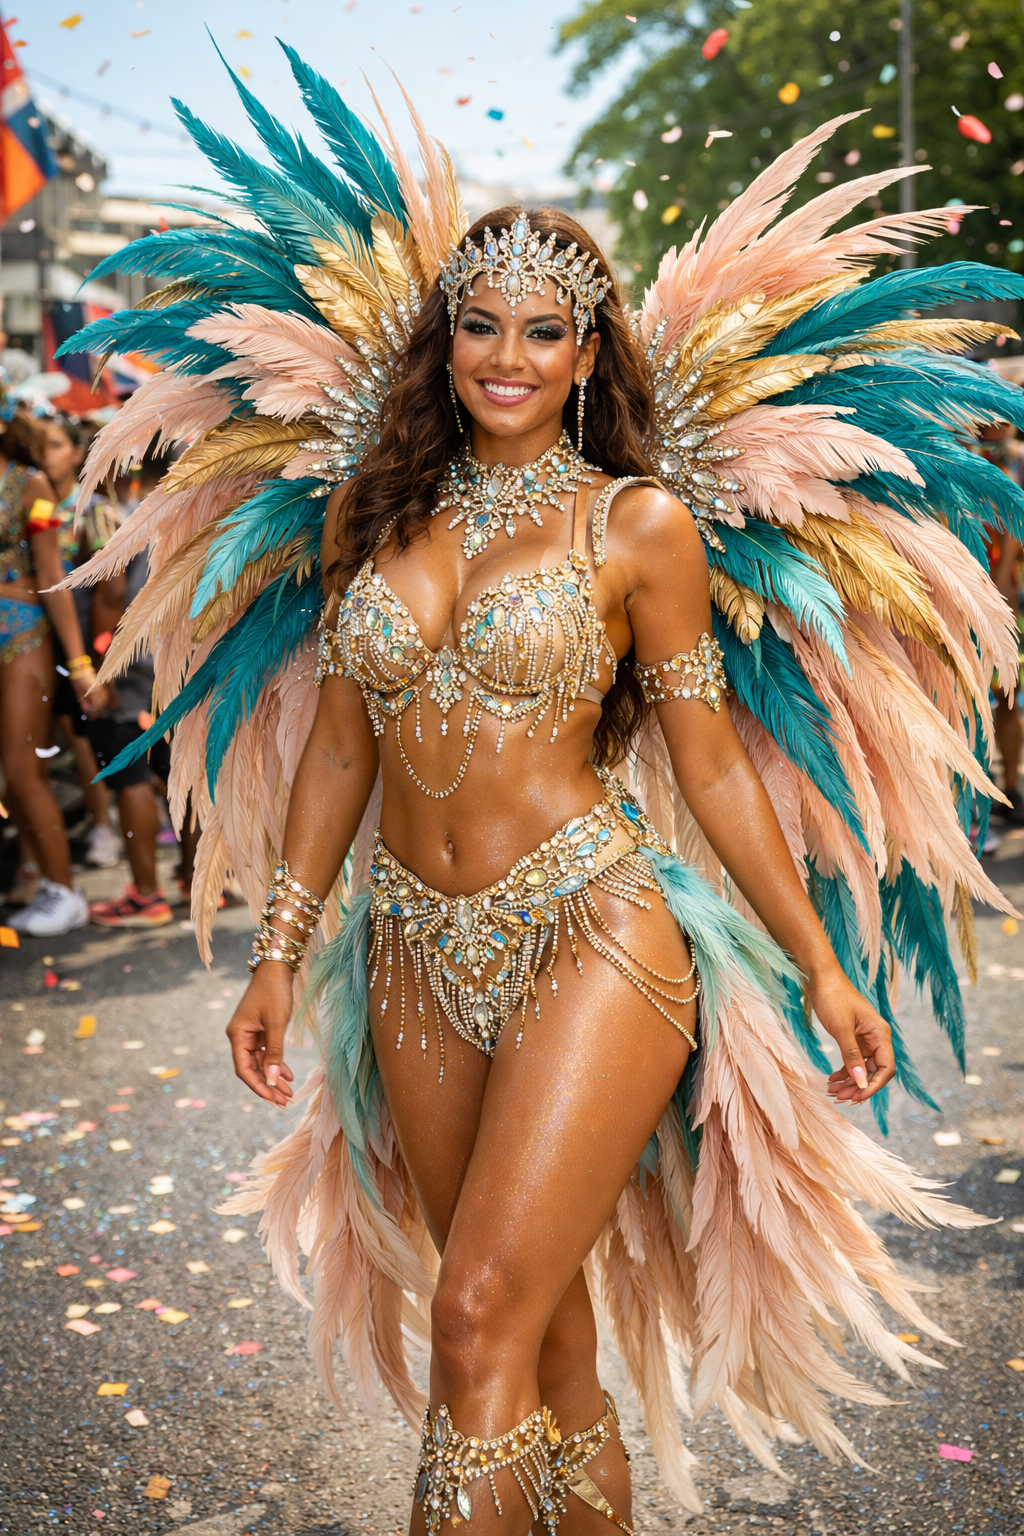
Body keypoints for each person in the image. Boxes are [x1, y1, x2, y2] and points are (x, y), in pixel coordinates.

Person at [62, 65, 1022, 1529]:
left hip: (595, 929)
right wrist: (273, 953)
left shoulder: (639, 525)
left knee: (472, 1323)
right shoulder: (374, 513)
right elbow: (338, 748)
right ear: (447, 340)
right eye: (482, 324)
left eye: (544, 331)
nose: (507, 354)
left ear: (589, 355)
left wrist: (824, 968)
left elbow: (704, 762)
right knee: (546, 1344)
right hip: (407, 948)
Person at [0, 389, 108, 936]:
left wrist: (80, 660)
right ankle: (35, 874)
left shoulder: (30, 485)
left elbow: (50, 575)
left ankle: (66, 892)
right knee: (9, 780)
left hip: (23, 638)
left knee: (24, 771)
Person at [85, 446, 173, 928]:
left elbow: (113, 592)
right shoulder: (197, 510)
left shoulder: (136, 516)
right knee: (178, 769)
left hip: (134, 661)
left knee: (132, 776)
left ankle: (145, 894)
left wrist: (100, 666)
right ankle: (195, 877)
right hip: (180, 658)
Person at [40, 412, 120, 868]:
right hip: (38, 642)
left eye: (56, 445)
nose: (46, 455)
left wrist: (100, 656)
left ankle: (103, 825)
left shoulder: (95, 510)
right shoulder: (33, 504)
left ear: (75, 453)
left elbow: (112, 588)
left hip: (86, 643)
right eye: (43, 446)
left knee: (84, 736)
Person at [976, 421, 1024, 825]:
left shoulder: (1013, 461)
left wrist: (1004, 574)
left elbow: (1013, 520)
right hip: (969, 590)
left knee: (1007, 695)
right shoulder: (960, 453)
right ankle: (984, 788)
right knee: (975, 699)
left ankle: (1010, 787)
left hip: (1003, 593)